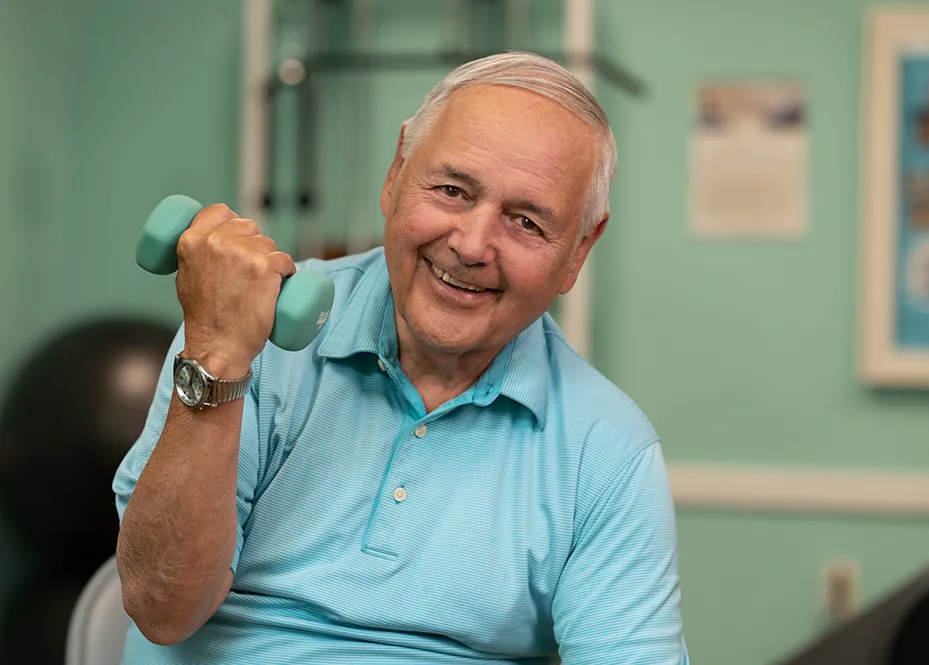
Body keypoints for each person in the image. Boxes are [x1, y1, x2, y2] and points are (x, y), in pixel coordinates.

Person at [112, 51, 689, 664]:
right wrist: (220, 353)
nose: (471, 245)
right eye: (451, 190)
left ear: (578, 250)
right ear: (396, 174)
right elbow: (161, 607)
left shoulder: (608, 449)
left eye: (525, 221)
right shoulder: (240, 336)